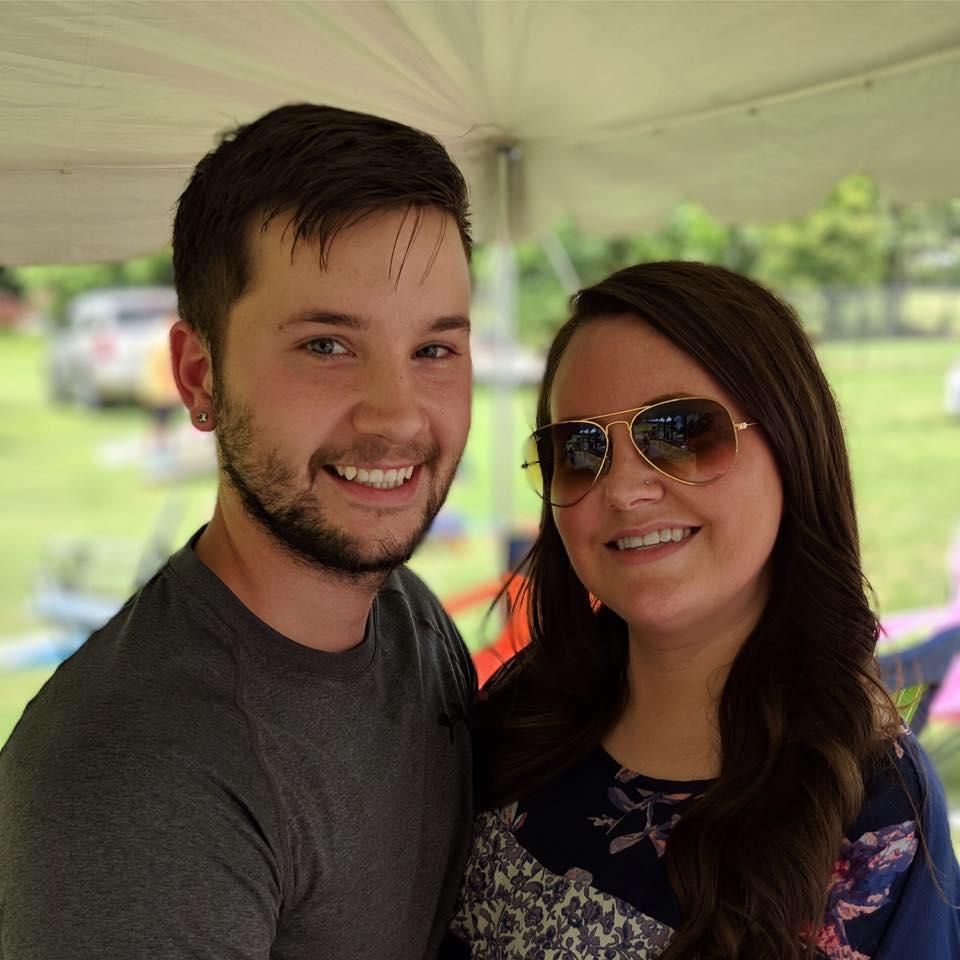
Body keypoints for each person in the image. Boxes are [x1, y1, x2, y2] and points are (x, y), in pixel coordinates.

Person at [0, 104, 477, 959]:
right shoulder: (134, 779)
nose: (399, 416)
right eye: (326, 346)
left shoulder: (411, 621)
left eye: (434, 350)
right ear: (199, 375)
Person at [446, 262, 960, 959]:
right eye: (580, 449)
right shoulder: (516, 719)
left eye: (682, 432)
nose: (623, 490)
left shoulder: (873, 801)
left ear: (791, 444)